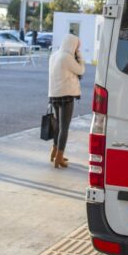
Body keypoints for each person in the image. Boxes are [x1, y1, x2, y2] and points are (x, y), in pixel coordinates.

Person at [48, 33, 85, 168]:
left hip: (54, 94)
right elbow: (81, 70)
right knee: (64, 127)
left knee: (58, 125)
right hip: (66, 95)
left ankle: (55, 151)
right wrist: (79, 55)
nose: (77, 49)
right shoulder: (67, 58)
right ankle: (59, 157)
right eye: (77, 46)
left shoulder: (54, 55)